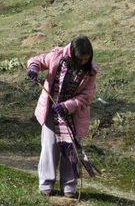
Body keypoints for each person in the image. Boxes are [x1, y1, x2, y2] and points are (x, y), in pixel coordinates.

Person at [26, 36, 99, 199]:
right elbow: (36, 60)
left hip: (73, 115)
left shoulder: (91, 71)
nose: (82, 62)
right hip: (51, 112)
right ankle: (46, 184)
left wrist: (67, 106)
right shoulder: (56, 57)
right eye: (80, 59)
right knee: (49, 148)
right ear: (72, 55)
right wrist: (33, 69)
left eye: (86, 59)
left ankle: (69, 187)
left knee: (70, 150)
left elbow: (87, 96)